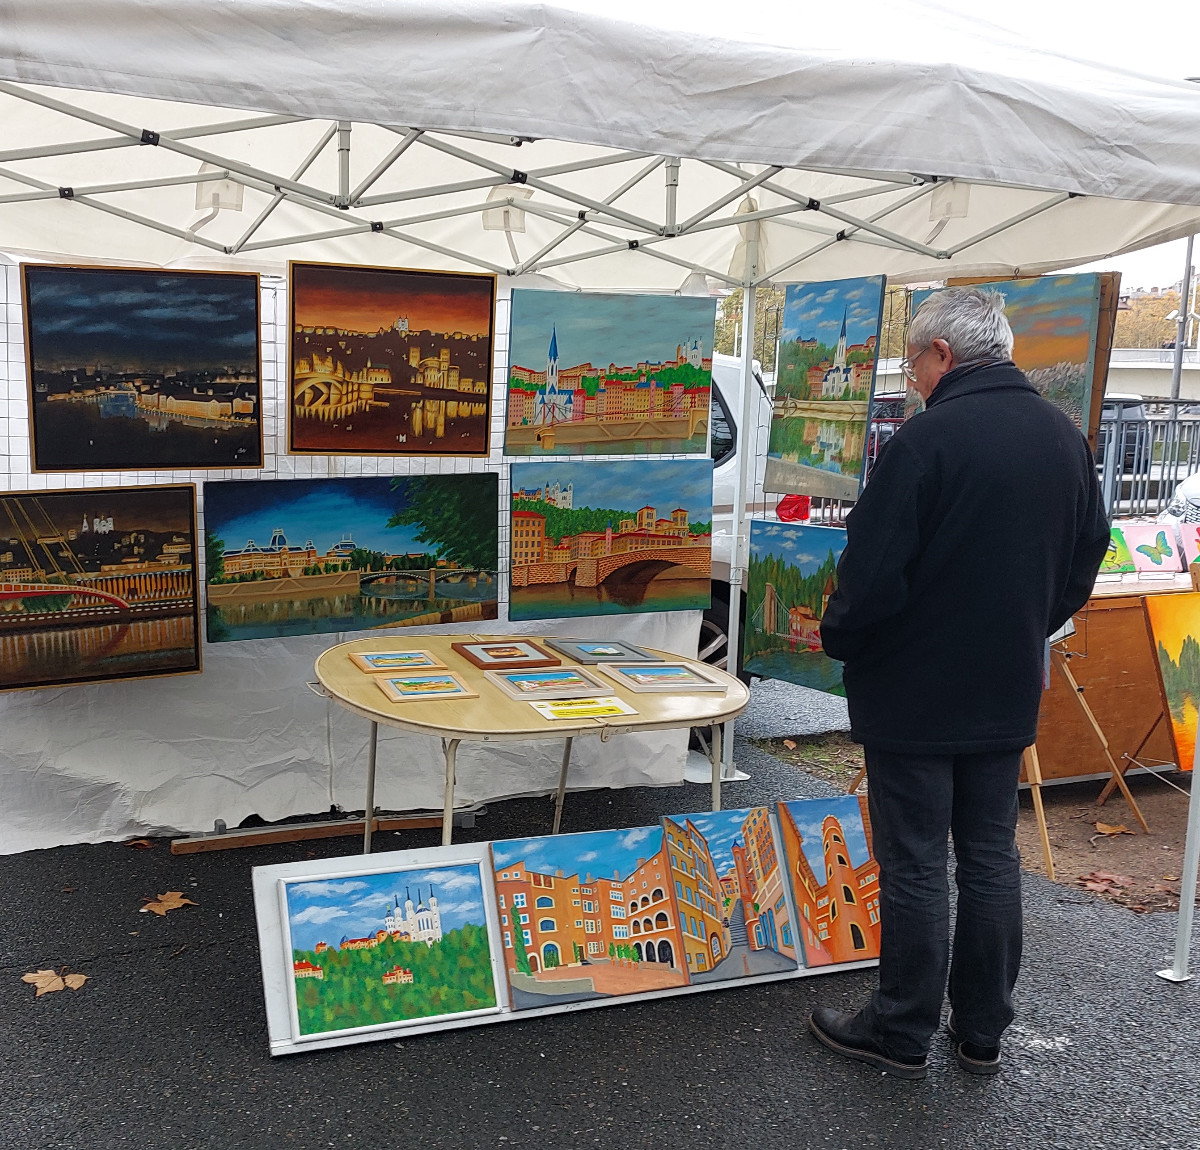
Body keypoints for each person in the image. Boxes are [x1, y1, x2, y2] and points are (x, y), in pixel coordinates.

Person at [809, 286, 1109, 1080]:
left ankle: (901, 1026)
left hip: (913, 688)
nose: (911, 376)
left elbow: (870, 573)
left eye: (913, 361)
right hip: (1006, 681)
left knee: (913, 861)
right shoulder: (1062, 437)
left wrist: (843, 639)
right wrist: (1028, 623)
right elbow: (1087, 557)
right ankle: (982, 1032)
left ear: (943, 354)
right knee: (988, 855)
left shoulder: (925, 442)